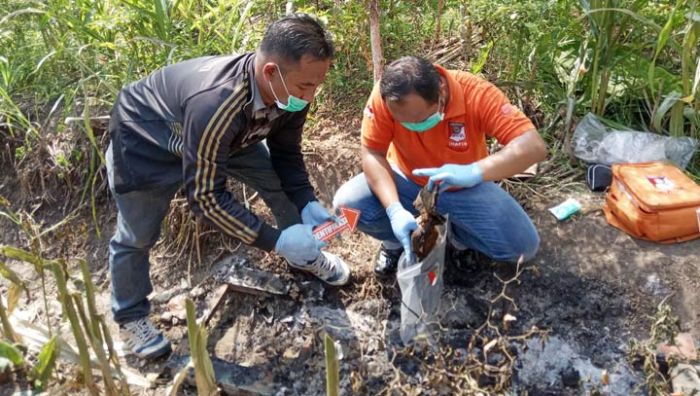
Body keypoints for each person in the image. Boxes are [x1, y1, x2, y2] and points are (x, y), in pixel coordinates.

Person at [106, 14, 349, 359]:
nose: (310, 95)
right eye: (306, 86)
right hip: (145, 141)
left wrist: (305, 199)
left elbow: (287, 153)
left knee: (276, 183)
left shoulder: (289, 93)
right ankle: (131, 315)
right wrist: (275, 242)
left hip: (225, 138)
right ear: (270, 72)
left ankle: (305, 252)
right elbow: (205, 198)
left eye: (316, 85)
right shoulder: (217, 103)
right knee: (136, 235)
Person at [333, 56, 546, 277]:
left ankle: (457, 239)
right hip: (406, 181)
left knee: (522, 247)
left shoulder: (475, 93)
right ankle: (395, 243)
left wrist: (475, 171)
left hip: (466, 187)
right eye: (404, 122)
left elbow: (533, 146)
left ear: (441, 92)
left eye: (419, 119)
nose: (415, 128)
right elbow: (373, 153)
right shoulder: (386, 97)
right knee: (348, 206)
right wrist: (394, 209)